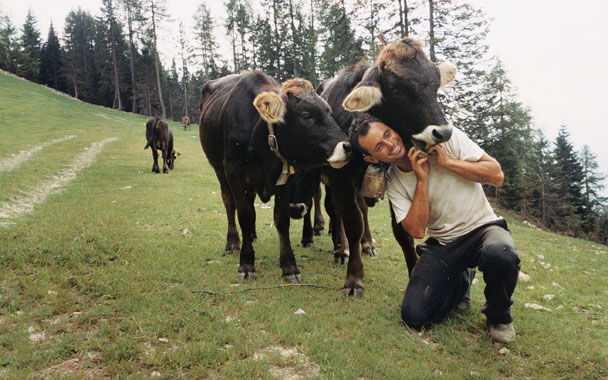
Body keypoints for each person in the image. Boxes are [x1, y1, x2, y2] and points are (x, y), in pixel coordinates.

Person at [348, 113, 520, 343]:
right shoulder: (392, 181)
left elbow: (496, 174)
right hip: (443, 244)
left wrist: (447, 162)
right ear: (371, 159)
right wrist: (421, 180)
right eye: (379, 146)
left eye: (388, 134)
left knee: (501, 253)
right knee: (415, 315)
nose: (390, 144)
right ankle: (460, 281)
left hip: (484, 227)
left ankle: (499, 316)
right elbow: (417, 231)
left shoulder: (443, 138)